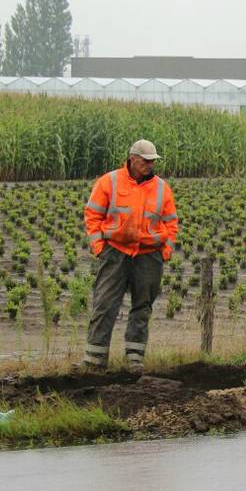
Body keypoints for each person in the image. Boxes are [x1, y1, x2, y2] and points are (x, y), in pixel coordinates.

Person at [82, 139, 179, 369]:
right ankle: (95, 361)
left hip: (149, 255)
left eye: (152, 162)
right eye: (146, 161)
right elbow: (92, 215)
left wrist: (166, 251)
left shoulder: (161, 187)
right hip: (115, 253)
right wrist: (99, 247)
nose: (150, 165)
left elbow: (171, 223)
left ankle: (135, 360)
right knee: (104, 304)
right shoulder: (110, 181)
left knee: (142, 307)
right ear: (132, 159)